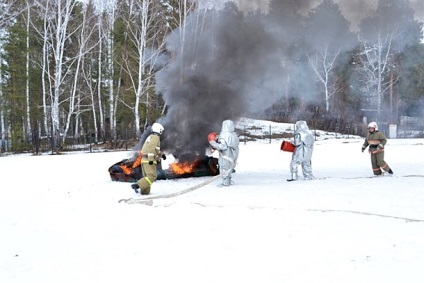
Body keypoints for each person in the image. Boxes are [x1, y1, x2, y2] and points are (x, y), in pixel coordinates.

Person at [131, 122, 166, 195]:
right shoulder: (156, 137)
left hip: (144, 160)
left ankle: (144, 192)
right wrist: (150, 159)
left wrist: (161, 155)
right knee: (152, 176)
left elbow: (154, 149)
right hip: (148, 160)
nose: (161, 133)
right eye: (161, 131)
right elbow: (151, 149)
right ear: (158, 130)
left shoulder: (150, 137)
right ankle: (137, 185)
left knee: (147, 177)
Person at [208, 120, 239, 186]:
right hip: (233, 156)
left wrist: (213, 143)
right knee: (229, 169)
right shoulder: (233, 135)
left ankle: (226, 184)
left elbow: (223, 146)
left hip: (225, 156)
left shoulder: (224, 135)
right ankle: (228, 181)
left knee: (224, 169)